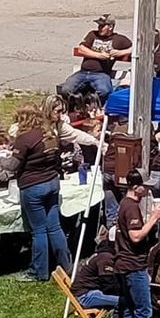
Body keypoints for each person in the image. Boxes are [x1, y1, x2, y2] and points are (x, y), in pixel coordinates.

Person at [10, 104, 70, 281]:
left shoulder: (24, 138)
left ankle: (39, 271)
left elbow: (13, 165)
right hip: (52, 182)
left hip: (33, 185)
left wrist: (0, 159)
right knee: (54, 226)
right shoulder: (49, 133)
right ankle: (66, 265)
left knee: (39, 230)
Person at [114, 172, 160, 318]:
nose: (149, 189)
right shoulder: (131, 206)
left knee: (130, 310)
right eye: (146, 186)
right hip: (133, 266)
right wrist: (153, 218)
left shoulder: (124, 205)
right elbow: (135, 237)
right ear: (136, 187)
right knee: (144, 312)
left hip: (123, 265)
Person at [63, 15, 131, 101]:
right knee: (65, 90)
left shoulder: (118, 39)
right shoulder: (92, 34)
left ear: (110, 27)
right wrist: (99, 55)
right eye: (99, 25)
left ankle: (93, 106)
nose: (99, 28)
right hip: (83, 72)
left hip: (101, 74)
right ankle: (80, 104)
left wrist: (121, 52)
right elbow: (81, 49)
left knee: (105, 91)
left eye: (102, 26)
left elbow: (136, 47)